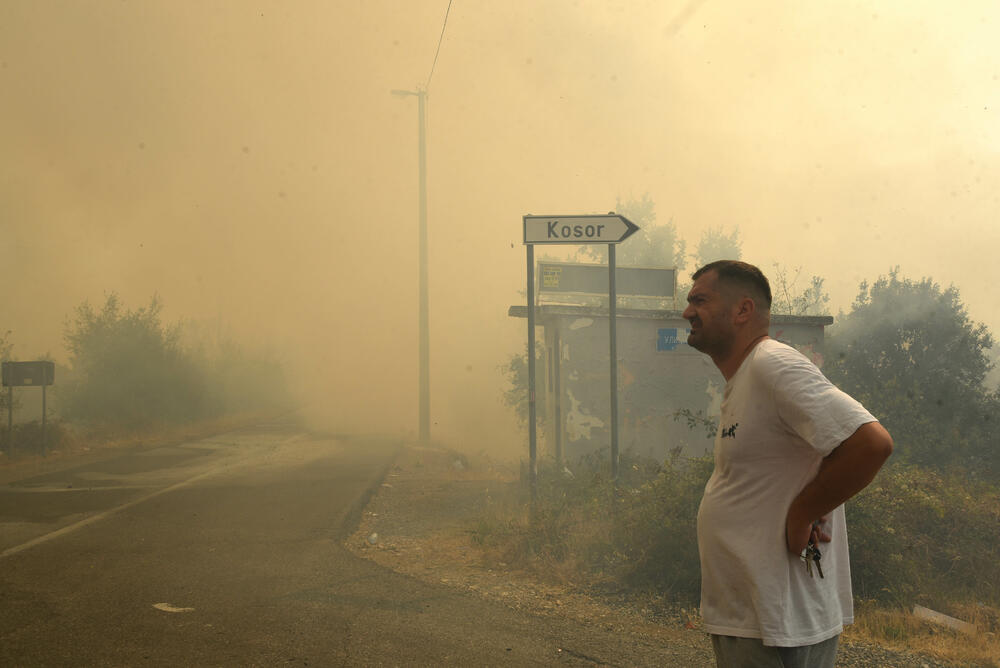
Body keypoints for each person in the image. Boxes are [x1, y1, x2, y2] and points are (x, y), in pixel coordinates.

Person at [682, 260, 893, 668]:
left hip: (775, 622)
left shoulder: (772, 365)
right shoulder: (747, 376)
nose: (688, 312)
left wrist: (803, 513)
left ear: (743, 310)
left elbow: (871, 443)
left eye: (700, 300)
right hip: (758, 616)